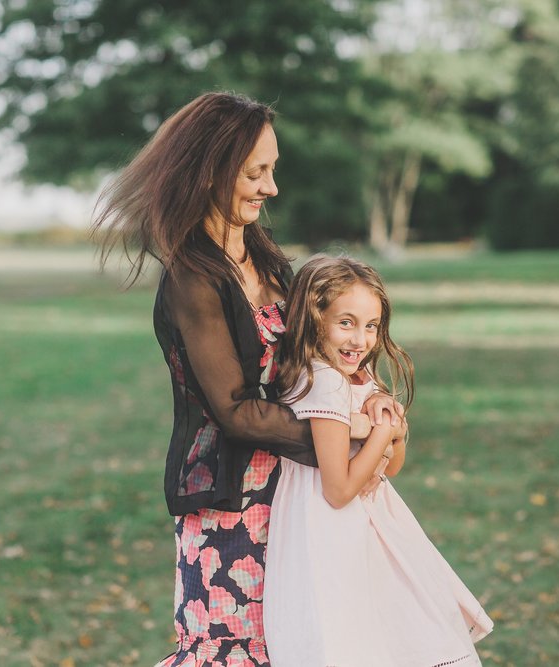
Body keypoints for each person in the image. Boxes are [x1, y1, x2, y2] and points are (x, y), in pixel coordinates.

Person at [92, 92, 402, 666]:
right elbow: (235, 409)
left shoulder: (264, 257)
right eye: (255, 172)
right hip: (230, 504)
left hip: (295, 497)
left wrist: (370, 401)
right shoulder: (194, 277)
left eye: (272, 170)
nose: (271, 187)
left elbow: (313, 356)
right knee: (234, 651)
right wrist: (348, 430)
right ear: (210, 171)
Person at [264, 256, 494, 667]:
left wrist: (391, 429)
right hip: (331, 531)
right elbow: (338, 490)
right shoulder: (324, 382)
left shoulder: (355, 378)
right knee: (355, 640)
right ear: (314, 319)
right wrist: (384, 433)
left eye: (371, 326)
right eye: (346, 323)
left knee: (387, 636)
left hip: (371, 527)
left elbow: (390, 468)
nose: (361, 340)